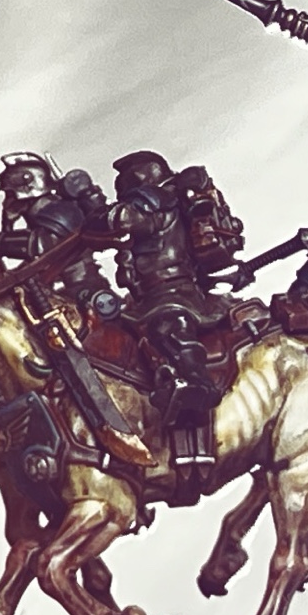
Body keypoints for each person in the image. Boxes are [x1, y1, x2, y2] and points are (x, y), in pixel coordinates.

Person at [105, 150, 230, 468]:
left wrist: (89, 204)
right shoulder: (155, 204)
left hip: (173, 291)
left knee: (168, 325)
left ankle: (195, 381)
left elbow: (121, 219)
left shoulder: (157, 202)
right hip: (145, 296)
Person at [0, 152, 118, 316]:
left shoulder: (59, 211)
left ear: (27, 189)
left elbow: (47, 244)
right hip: (61, 289)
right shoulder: (45, 212)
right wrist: (6, 226)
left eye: (10, 195)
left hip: (83, 289)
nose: (8, 201)